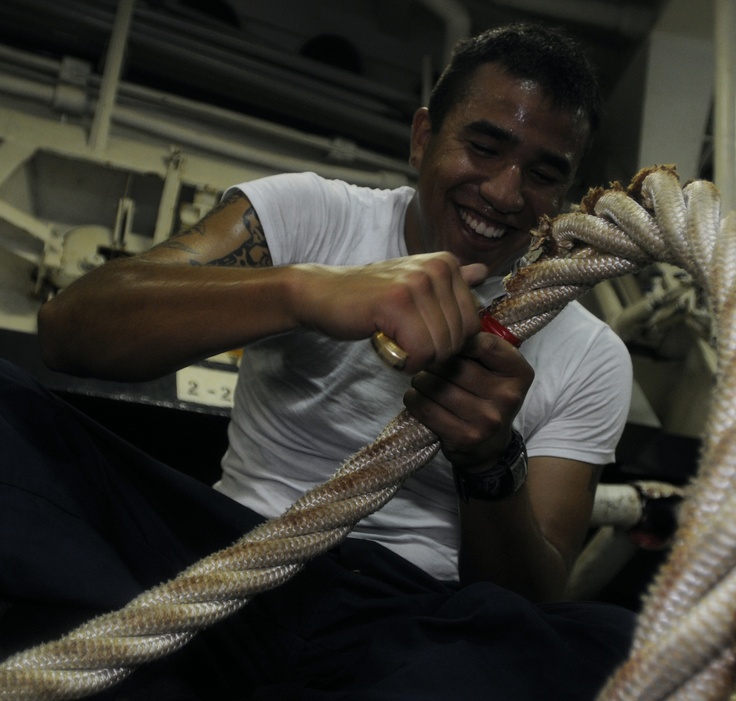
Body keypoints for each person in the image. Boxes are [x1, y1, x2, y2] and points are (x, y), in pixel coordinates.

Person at [0, 22, 635, 699]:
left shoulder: (592, 356)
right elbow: (69, 329)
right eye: (484, 147)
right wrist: (304, 291)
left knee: (619, 645)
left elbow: (531, 599)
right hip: (225, 554)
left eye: (544, 174)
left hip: (406, 621)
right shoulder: (311, 213)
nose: (506, 193)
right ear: (423, 137)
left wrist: (490, 461)